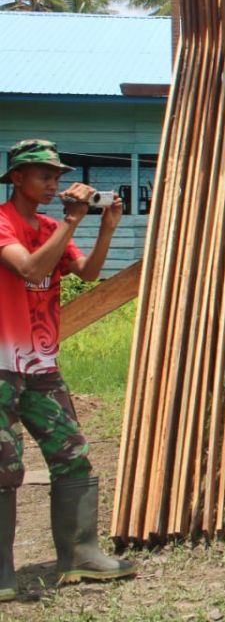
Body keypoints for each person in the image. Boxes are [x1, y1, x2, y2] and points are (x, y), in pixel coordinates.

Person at [0, 139, 136, 601]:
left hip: (40, 365)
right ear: (17, 177)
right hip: (0, 366)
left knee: (71, 452)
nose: (54, 183)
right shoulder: (2, 223)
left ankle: (80, 556)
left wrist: (106, 229)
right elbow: (30, 266)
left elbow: (89, 273)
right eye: (44, 175)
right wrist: (73, 221)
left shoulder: (52, 225)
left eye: (58, 176)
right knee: (3, 466)